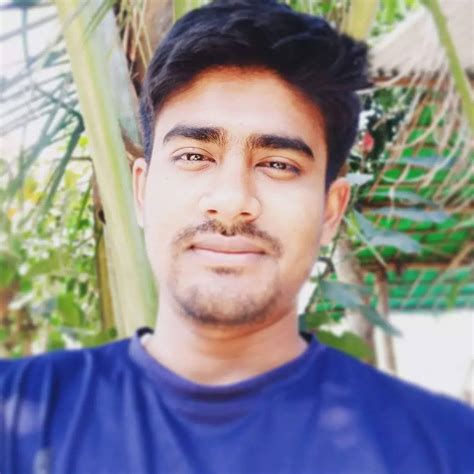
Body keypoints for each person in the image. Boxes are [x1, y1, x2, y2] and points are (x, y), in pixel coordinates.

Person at [1, 1, 473, 473]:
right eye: (194, 156)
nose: (231, 201)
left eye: (278, 164)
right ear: (142, 190)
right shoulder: (16, 418)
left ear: (330, 211)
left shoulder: (446, 448)